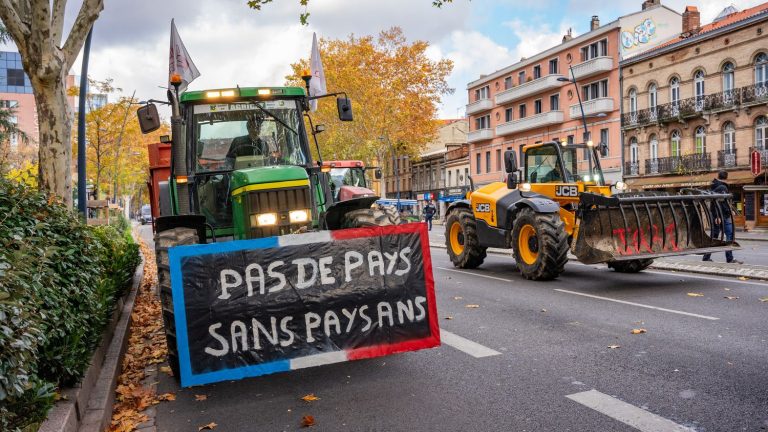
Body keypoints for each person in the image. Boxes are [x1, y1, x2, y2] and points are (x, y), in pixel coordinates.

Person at [702, 170, 743, 264]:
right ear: (726, 177)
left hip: (720, 215)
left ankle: (706, 257)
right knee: (729, 236)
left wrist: (730, 209)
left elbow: (719, 202)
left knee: (715, 237)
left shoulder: (715, 186)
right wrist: (718, 216)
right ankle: (729, 259)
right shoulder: (722, 187)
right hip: (722, 216)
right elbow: (719, 203)